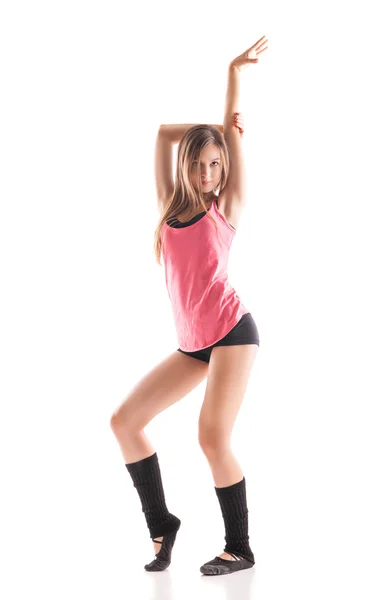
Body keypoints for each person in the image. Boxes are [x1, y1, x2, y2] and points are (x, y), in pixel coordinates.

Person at [110, 35, 268, 577]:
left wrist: (232, 78)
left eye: (215, 166)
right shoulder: (168, 207)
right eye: (199, 165)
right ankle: (163, 527)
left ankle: (239, 547)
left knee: (211, 435)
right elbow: (161, 136)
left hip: (231, 331)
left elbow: (231, 142)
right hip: (193, 343)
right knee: (125, 420)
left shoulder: (227, 208)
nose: (208, 175)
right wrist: (204, 137)